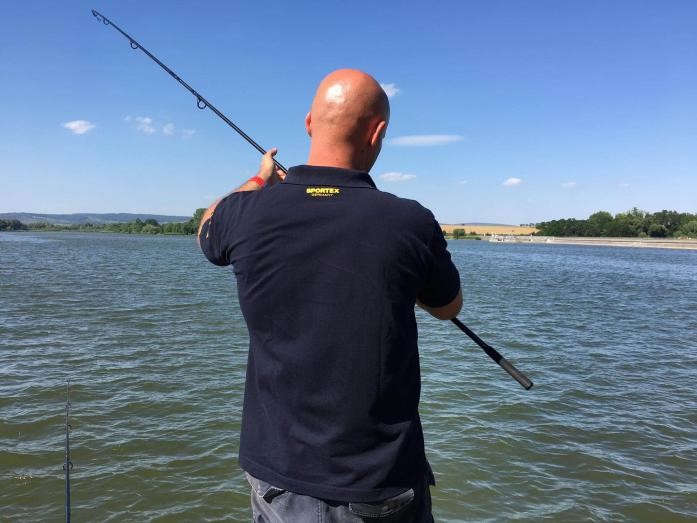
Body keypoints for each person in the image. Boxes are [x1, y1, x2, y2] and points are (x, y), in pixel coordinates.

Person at [198, 69, 462, 522]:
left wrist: (260, 179)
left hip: (276, 476)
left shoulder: (245, 214)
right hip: (378, 483)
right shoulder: (411, 222)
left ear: (308, 124)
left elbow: (208, 227)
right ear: (378, 133)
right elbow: (448, 307)